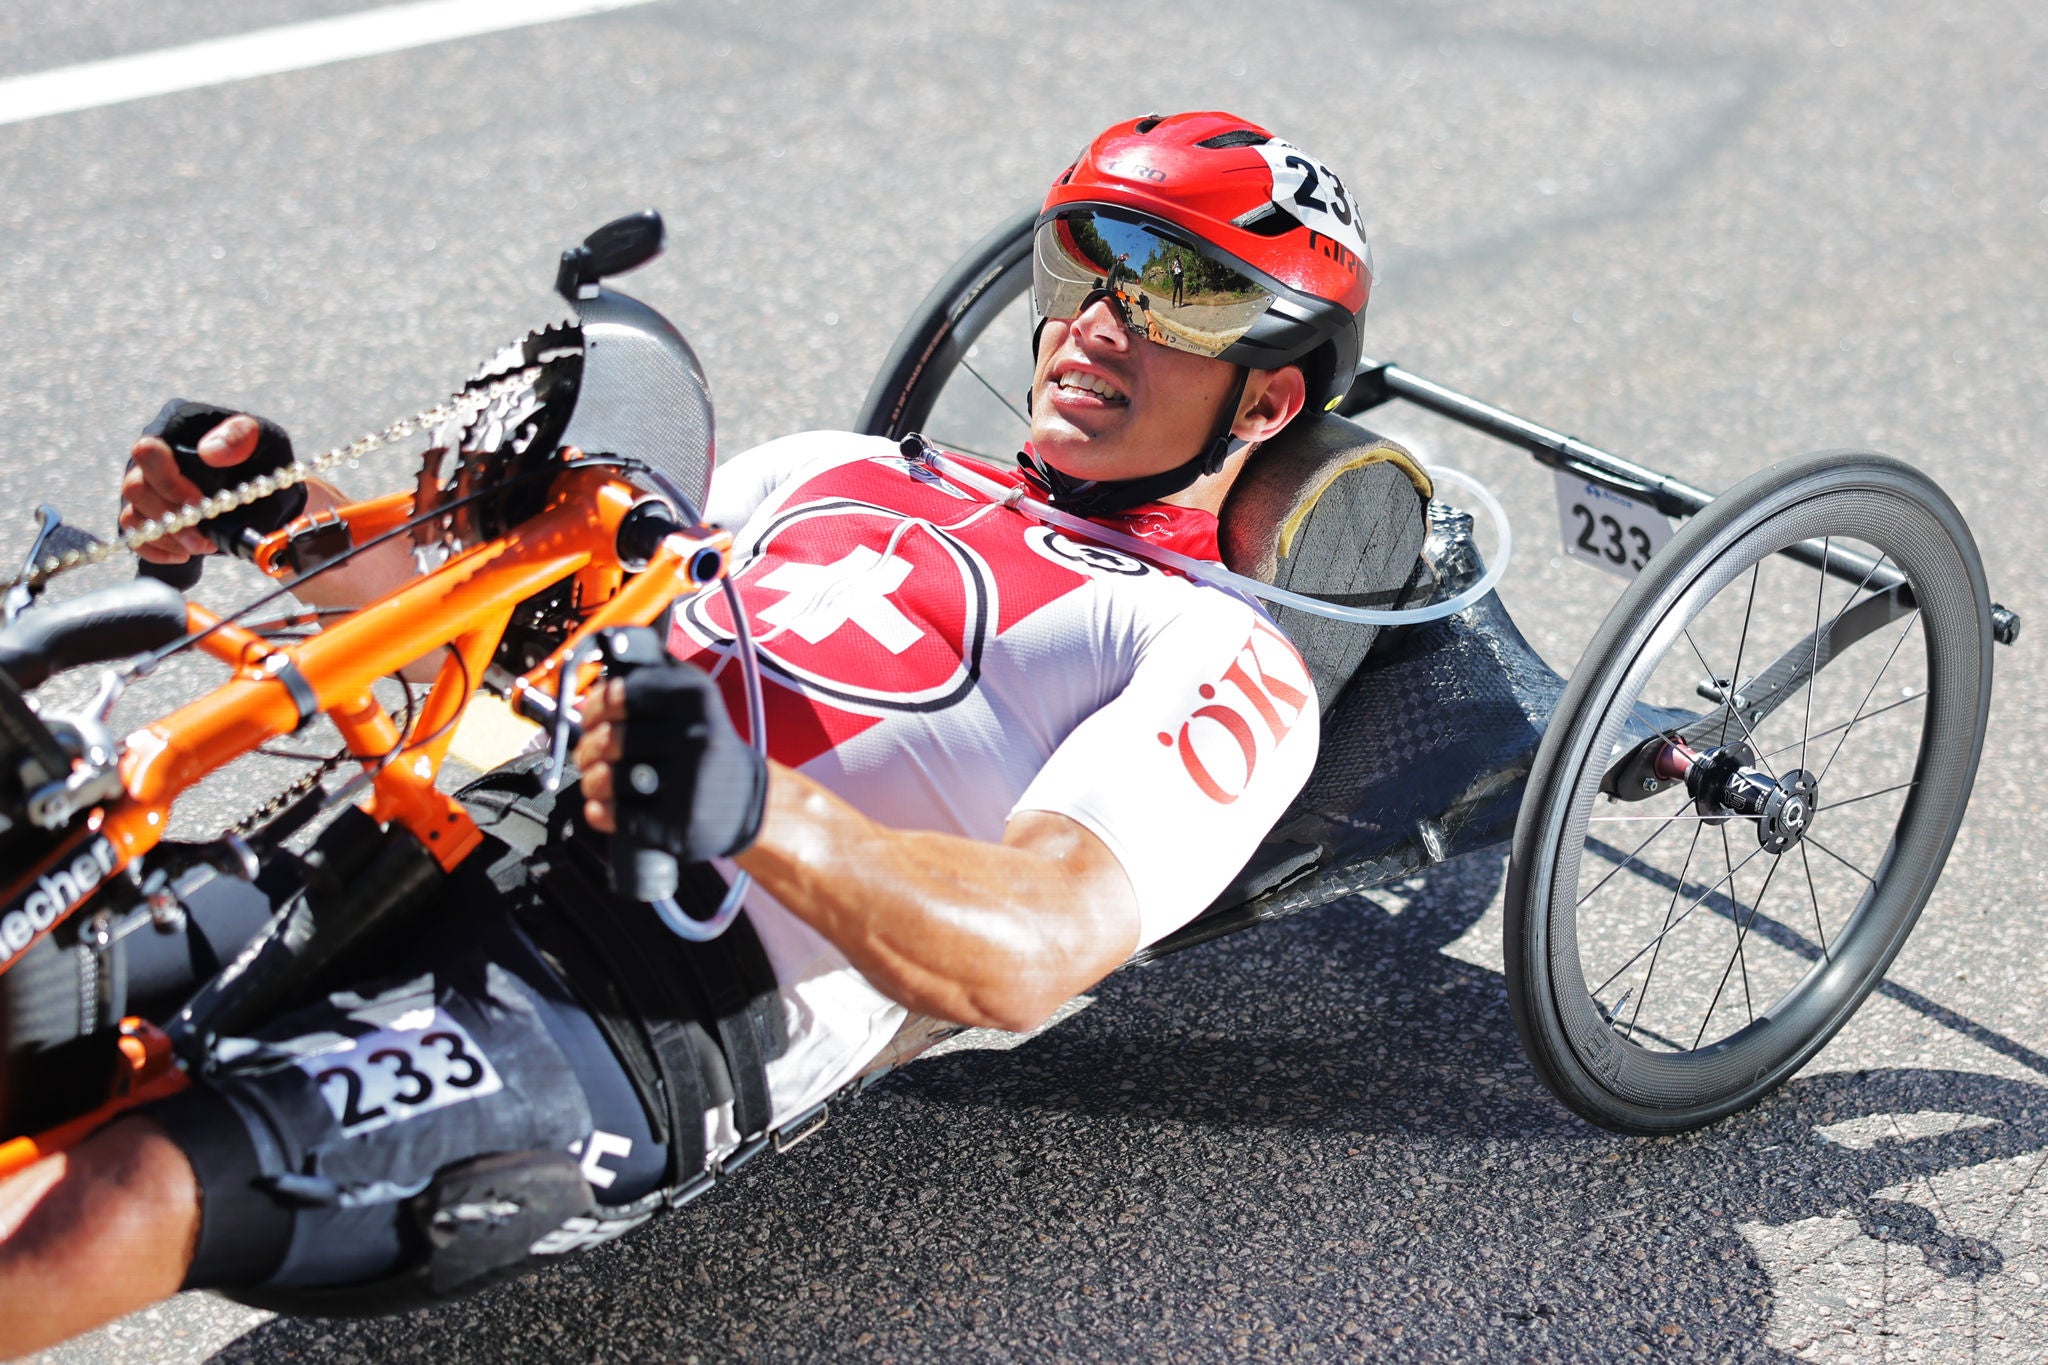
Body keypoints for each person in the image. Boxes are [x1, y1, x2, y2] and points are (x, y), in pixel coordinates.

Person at [0, 110, 1378, 1356]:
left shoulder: (1219, 653)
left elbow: (1038, 942)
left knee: (123, 1185)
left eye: (1176, 301)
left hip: (646, 1011)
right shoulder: (846, 469)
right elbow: (519, 590)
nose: (1099, 324)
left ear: (1268, 399)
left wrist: (764, 808)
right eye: (1088, 268)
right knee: (35, 960)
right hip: (465, 841)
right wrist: (277, 514)